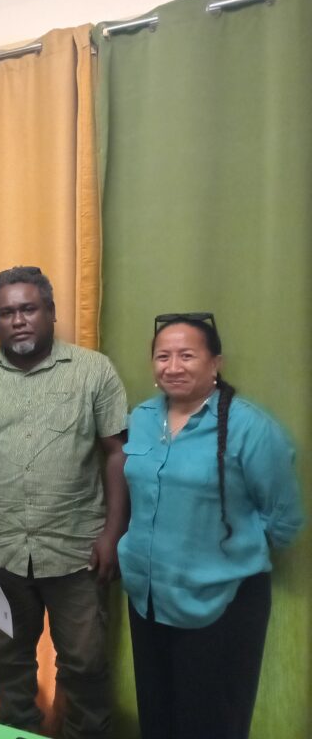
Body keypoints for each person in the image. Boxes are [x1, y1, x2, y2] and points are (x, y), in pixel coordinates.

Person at [0, 266, 128, 738]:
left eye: (28, 309)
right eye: (6, 313)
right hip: (0, 548)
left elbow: (115, 455)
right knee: (8, 665)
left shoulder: (94, 371)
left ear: (50, 312)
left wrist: (113, 533)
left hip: (77, 551)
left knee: (86, 666)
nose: (18, 320)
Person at [118, 312, 304, 739]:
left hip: (221, 604)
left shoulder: (250, 428)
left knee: (210, 723)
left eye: (187, 355)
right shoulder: (143, 417)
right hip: (148, 597)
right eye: (163, 356)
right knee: (158, 716)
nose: (173, 366)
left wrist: (227, 555)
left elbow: (285, 518)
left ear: (216, 363)